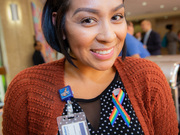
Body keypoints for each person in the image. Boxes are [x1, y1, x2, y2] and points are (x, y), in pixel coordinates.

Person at [2, 0, 178, 134]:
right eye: (88, 20)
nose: (108, 36)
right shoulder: (27, 88)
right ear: (59, 25)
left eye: (116, 17)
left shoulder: (147, 77)